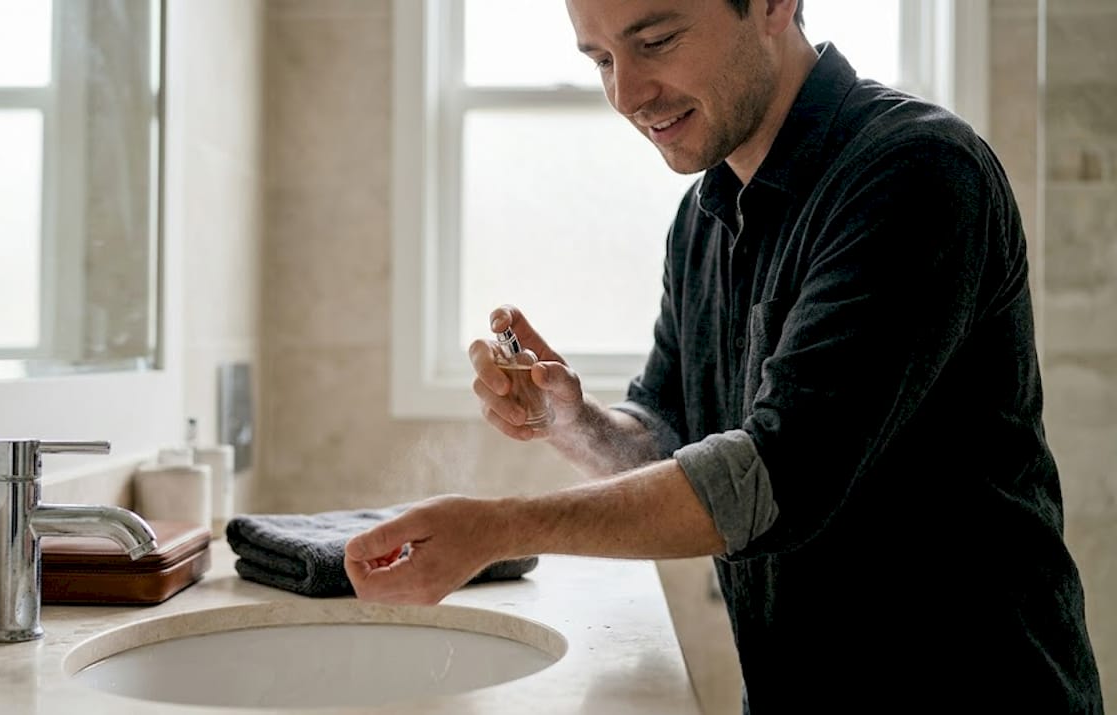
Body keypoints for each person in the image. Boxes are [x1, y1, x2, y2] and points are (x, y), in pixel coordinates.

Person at [344, 0, 1104, 711]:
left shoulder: (918, 174)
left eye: (656, 41)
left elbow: (777, 476)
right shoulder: (703, 219)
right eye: (601, 59)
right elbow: (673, 442)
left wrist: (501, 526)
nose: (628, 93)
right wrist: (572, 424)